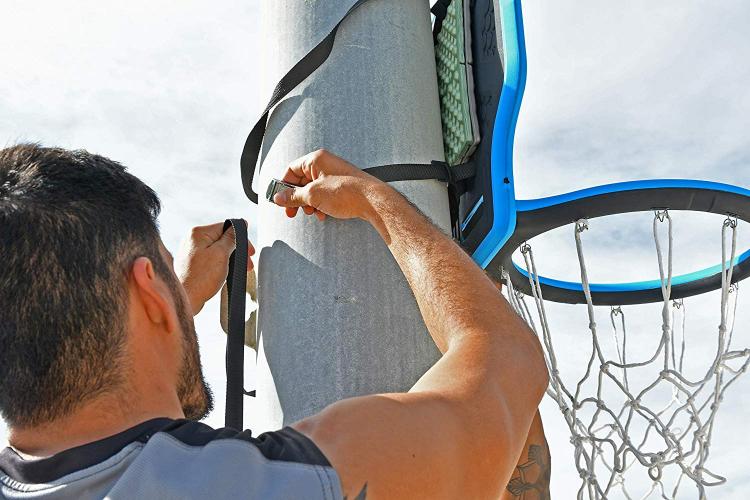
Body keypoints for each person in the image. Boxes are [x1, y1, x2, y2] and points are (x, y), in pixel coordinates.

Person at [0, 144, 548, 499]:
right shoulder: (283, 485)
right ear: (148, 295)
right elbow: (507, 362)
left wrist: (177, 299)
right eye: (164, 270)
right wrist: (377, 201)